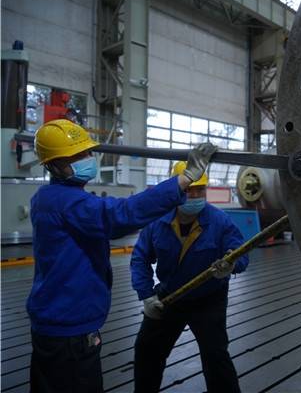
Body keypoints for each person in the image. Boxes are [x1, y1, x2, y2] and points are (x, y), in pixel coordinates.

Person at [27, 119, 217, 393]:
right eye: (76, 156)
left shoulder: (47, 197)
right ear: (53, 165)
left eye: (87, 152)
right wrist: (184, 179)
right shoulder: (67, 202)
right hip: (69, 327)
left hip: (54, 320)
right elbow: (121, 215)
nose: (87, 159)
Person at [130, 161, 249, 393]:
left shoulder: (219, 221)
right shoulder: (157, 222)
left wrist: (231, 263)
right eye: (189, 190)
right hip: (170, 296)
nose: (195, 195)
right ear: (176, 190)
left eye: (200, 190)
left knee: (215, 355)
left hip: (209, 298)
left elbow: (240, 252)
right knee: (146, 350)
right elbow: (139, 258)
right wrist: (146, 296)